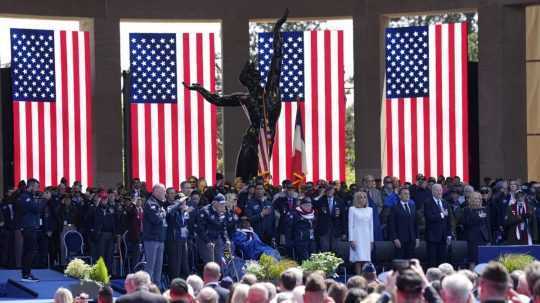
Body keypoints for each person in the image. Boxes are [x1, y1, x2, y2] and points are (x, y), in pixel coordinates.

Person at [197, 194, 237, 264]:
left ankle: (224, 272)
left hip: (217, 238)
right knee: (210, 261)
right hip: (206, 240)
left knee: (221, 259)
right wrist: (207, 241)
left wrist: (226, 240)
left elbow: (223, 227)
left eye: (224, 204)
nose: (223, 206)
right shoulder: (205, 211)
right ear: (214, 203)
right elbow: (200, 229)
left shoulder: (222, 211)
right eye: (221, 204)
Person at [20, 178, 46, 282]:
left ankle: (26, 273)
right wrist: (45, 200)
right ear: (30, 186)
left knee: (28, 250)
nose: (37, 189)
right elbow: (36, 209)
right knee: (30, 251)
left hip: (31, 227)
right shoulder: (25, 197)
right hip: (28, 227)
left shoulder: (30, 197)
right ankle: (26, 274)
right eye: (36, 187)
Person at [142, 184, 168, 286]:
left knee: (158, 266)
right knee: (150, 266)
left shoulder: (159, 204)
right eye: (163, 191)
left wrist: (163, 211)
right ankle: (147, 287)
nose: (165, 193)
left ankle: (156, 287)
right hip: (151, 239)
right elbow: (156, 219)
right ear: (156, 191)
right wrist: (163, 212)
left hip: (160, 238)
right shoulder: (150, 203)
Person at [424, 184, 451, 267]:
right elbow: (429, 217)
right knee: (432, 261)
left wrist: (449, 235)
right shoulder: (428, 202)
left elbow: (448, 220)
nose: (439, 192)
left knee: (442, 261)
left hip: (443, 237)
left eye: (440, 190)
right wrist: (442, 215)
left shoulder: (445, 202)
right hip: (432, 237)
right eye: (437, 190)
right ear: (432, 192)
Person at [314, 184, 347, 253]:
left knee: (335, 249)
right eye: (328, 190)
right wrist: (321, 195)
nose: (329, 192)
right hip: (324, 230)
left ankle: (335, 263)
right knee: (324, 248)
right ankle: (326, 264)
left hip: (336, 229)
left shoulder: (339, 201)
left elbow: (343, 217)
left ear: (334, 191)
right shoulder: (321, 200)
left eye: (331, 190)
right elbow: (314, 203)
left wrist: (344, 232)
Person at [461, 192, 492, 266]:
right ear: (470, 200)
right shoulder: (466, 210)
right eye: (475, 198)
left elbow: (488, 225)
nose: (477, 200)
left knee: (484, 259)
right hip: (472, 239)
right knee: (473, 260)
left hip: (483, 238)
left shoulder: (485, 210)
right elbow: (466, 223)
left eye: (479, 198)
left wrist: (490, 240)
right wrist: (478, 217)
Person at [388, 188, 419, 259]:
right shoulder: (395, 208)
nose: (407, 195)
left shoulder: (412, 206)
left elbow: (415, 223)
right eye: (405, 194)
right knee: (400, 261)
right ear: (399, 196)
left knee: (410, 262)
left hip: (411, 240)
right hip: (400, 240)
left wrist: (417, 237)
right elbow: (392, 225)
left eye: (408, 194)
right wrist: (395, 238)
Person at [166, 195, 192, 279]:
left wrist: (185, 212)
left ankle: (185, 281)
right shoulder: (172, 209)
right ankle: (174, 282)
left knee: (184, 263)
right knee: (175, 264)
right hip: (174, 240)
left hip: (183, 240)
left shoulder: (184, 211)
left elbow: (186, 224)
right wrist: (179, 205)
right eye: (182, 201)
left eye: (185, 201)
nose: (184, 202)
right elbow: (170, 214)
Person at [348, 191, 374, 274]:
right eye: (360, 197)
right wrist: (351, 240)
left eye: (364, 197)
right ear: (357, 199)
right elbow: (350, 225)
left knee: (366, 260)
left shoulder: (370, 210)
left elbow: (371, 226)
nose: (363, 199)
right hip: (357, 237)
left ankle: (365, 279)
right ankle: (358, 279)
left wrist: (371, 241)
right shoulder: (352, 209)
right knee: (358, 260)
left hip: (366, 237)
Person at [93, 190, 118, 272]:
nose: (104, 200)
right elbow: (90, 218)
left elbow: (115, 221)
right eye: (102, 198)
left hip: (110, 234)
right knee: (101, 255)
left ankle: (109, 273)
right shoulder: (96, 209)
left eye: (106, 198)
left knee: (109, 255)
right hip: (101, 235)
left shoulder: (111, 208)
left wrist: (115, 235)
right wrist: (96, 206)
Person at [289, 197, 317, 262]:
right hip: (301, 241)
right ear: (301, 205)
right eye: (306, 205)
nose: (308, 207)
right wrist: (290, 241)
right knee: (305, 260)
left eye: (310, 205)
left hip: (311, 240)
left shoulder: (313, 214)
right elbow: (289, 229)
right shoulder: (295, 214)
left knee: (313, 259)